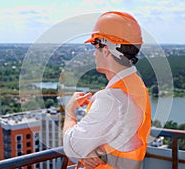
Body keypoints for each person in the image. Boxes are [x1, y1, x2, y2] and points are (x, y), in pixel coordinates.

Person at [63, 11, 151, 169]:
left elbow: (71, 145)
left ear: (106, 50)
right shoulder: (136, 85)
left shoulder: (111, 98)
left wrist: (70, 111)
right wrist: (97, 151)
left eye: (95, 47)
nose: (94, 54)